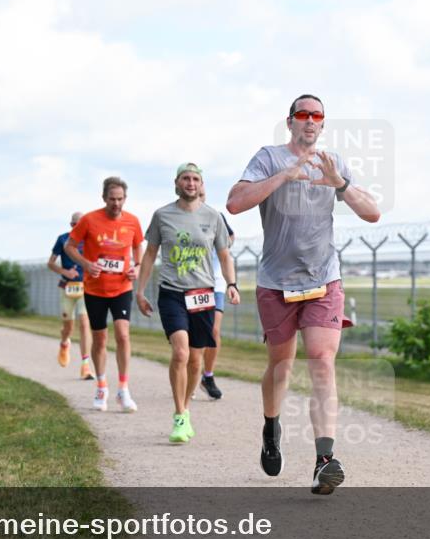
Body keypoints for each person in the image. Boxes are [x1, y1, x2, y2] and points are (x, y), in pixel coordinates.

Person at [226, 93, 380, 495]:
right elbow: (235, 203)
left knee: (323, 362)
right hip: (276, 282)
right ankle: (271, 427)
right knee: (281, 366)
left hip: (323, 279)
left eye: (317, 115)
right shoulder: (268, 157)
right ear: (290, 121)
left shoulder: (333, 162)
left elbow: (372, 212)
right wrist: (284, 175)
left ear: (323, 124)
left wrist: (340, 184)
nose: (310, 120)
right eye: (303, 114)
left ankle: (324, 461)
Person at [137, 163, 240, 443]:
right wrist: (140, 291)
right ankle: (179, 415)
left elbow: (224, 255)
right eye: (186, 178)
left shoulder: (213, 217)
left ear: (201, 184)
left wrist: (231, 284)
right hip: (172, 292)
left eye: (195, 178)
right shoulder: (162, 215)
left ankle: (186, 408)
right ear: (177, 183)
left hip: (203, 294)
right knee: (181, 353)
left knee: (196, 359)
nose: (191, 183)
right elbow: (149, 254)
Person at [64, 177, 144, 412]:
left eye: (120, 199)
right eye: (112, 199)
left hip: (122, 287)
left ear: (125, 198)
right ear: (104, 198)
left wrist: (137, 266)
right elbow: (69, 246)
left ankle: (123, 390)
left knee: (123, 334)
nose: (116, 204)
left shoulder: (132, 221)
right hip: (94, 289)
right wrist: (86, 264)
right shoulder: (89, 220)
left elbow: (138, 245)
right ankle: (101, 386)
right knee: (99, 339)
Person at [48, 214, 94, 380]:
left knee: (84, 322)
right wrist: (64, 272)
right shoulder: (63, 239)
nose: (78, 227)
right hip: (67, 287)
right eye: (75, 224)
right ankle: (65, 342)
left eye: (81, 224)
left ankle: (85, 365)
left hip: (86, 286)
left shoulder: (91, 239)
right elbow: (50, 263)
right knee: (68, 326)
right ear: (71, 224)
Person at [200, 211, 235, 400]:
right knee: (192, 333)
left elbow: (231, 236)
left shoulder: (215, 216)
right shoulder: (183, 215)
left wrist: (221, 244)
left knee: (214, 331)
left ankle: (208, 376)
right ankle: (190, 372)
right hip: (192, 283)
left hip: (216, 284)